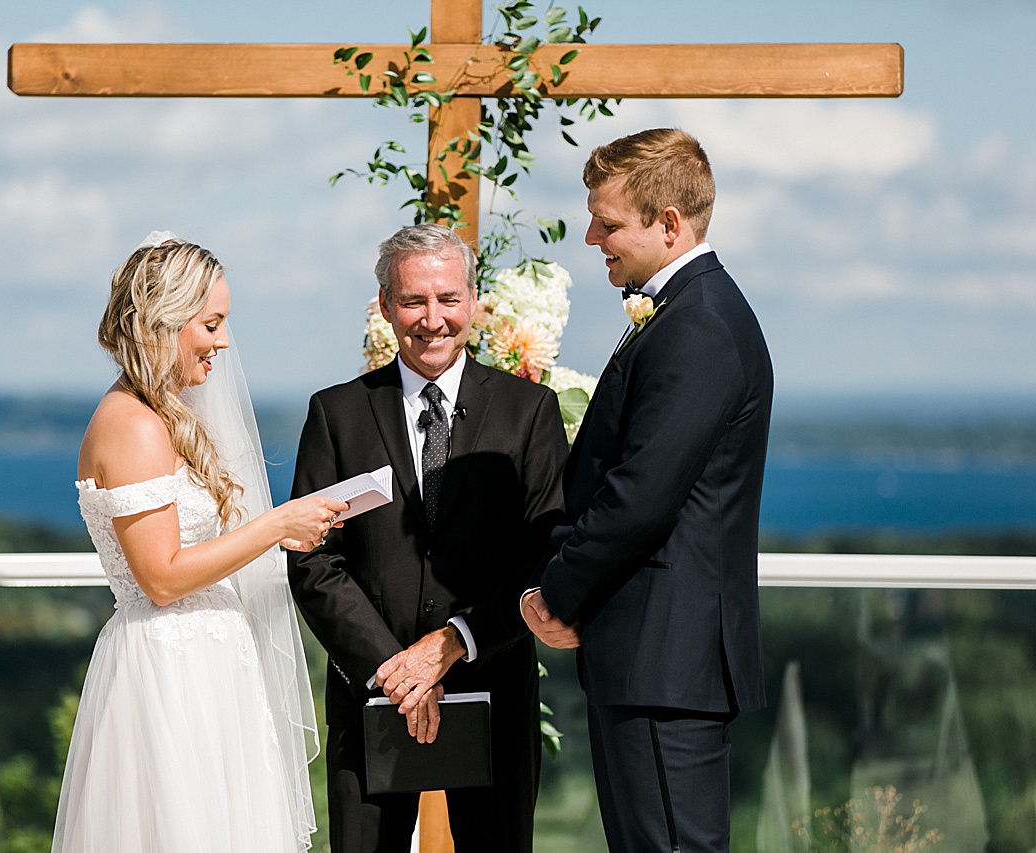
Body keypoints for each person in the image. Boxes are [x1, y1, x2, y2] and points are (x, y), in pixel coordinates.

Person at [52, 232, 349, 853]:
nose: (223, 341)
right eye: (211, 323)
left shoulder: (160, 415)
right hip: (169, 672)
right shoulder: (132, 426)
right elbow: (160, 578)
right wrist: (276, 526)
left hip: (208, 665)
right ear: (166, 322)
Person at [523, 128, 773, 853]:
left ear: (669, 223)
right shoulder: (688, 311)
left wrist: (556, 594)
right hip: (653, 658)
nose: (592, 234)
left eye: (608, 221)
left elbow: (640, 494)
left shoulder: (696, 325)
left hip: (667, 661)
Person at [288, 223, 568, 853]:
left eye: (448, 299)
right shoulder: (335, 414)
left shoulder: (532, 412)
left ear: (474, 301)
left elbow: (543, 553)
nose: (432, 319)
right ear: (386, 306)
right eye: (414, 301)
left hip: (494, 685)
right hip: (372, 697)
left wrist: (453, 645)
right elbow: (314, 562)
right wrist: (395, 669)